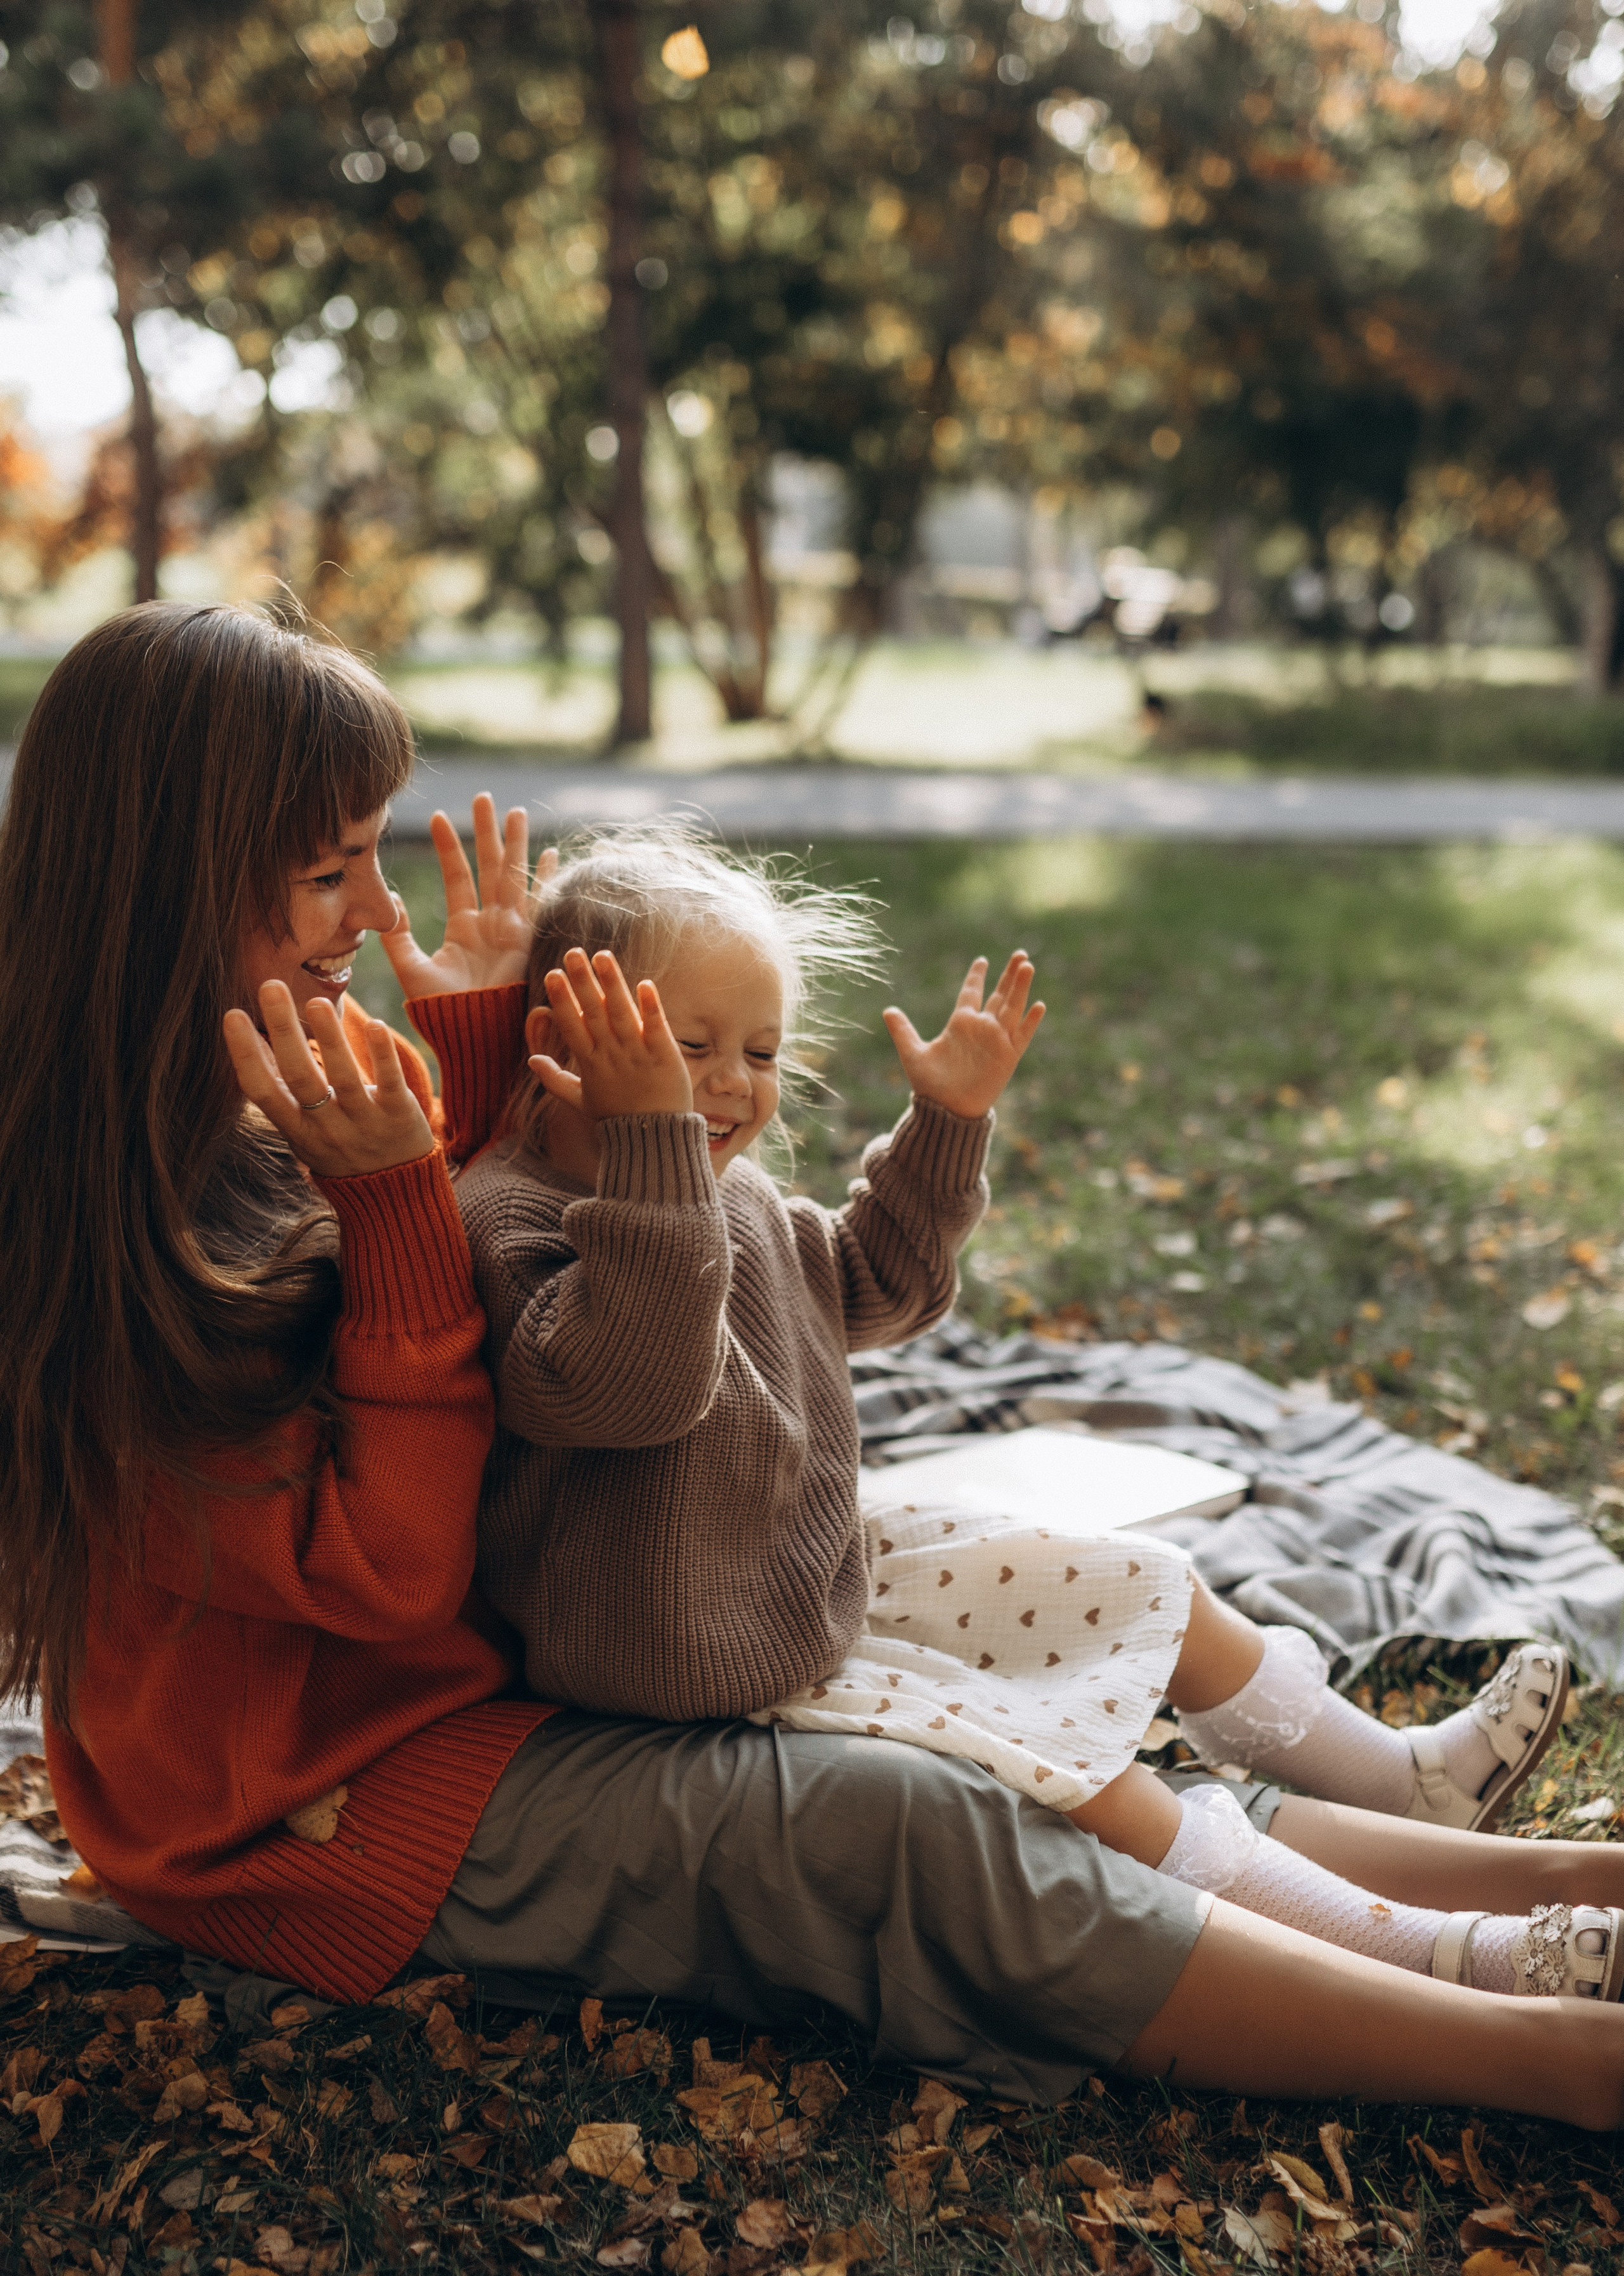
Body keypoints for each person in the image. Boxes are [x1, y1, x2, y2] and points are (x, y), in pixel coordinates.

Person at [4, 601, 1624, 2135]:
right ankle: (1536, 2051)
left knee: (972, 1599)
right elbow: (395, 1550)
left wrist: (507, 1063)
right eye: (330, 870)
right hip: (329, 1792)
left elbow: (479, 1302)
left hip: (525, 1618)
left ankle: (1510, 1888)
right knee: (904, 1817)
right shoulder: (80, 1248)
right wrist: (401, 1190)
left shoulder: (255, 1085)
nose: (377, 914)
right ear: (179, 883)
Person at [454, 830, 1621, 2007]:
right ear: (560, 1046)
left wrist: (946, 1124)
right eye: (688, 1046)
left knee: (1130, 1575)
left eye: (759, 1051)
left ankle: (1392, 1779)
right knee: (1089, 1773)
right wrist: (656, 1160)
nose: (729, 1083)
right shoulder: (514, 1219)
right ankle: (1435, 1954)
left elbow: (874, 1284)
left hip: (793, 1576)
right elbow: (633, 1382)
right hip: (693, 1649)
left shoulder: (727, 1190)